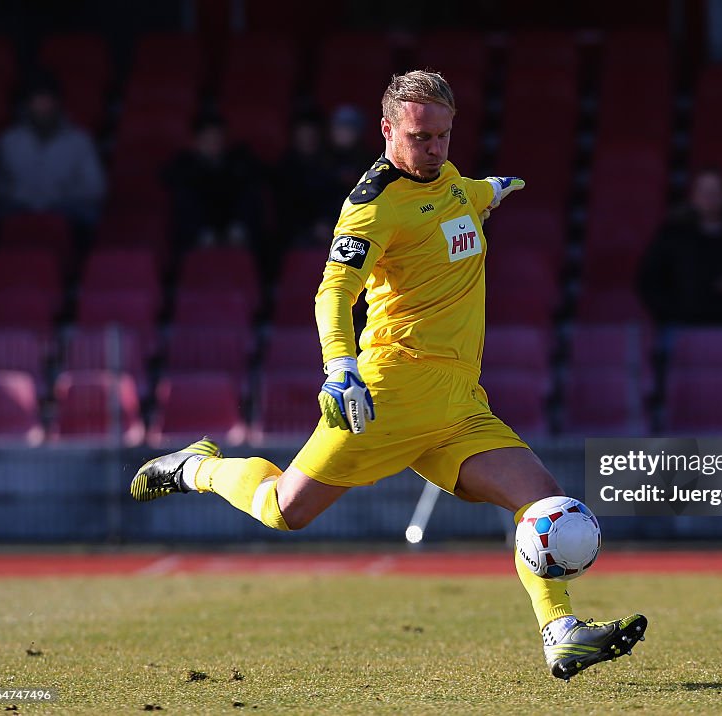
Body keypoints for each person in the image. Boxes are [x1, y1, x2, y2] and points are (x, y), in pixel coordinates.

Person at [130, 70, 647, 680]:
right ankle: (197, 467)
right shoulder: (370, 206)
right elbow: (334, 289)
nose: (434, 149)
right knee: (283, 510)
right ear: (387, 130)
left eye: (444, 135)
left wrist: (493, 190)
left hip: (459, 402)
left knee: (542, 503)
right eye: (421, 136)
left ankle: (561, 634)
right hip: (388, 392)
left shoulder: (453, 181)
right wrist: (340, 367)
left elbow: (463, 200)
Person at [636, 168, 722, 324]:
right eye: (704, 190)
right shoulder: (672, 236)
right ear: (693, 195)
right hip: (682, 325)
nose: (709, 196)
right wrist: (671, 312)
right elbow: (649, 282)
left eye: (715, 190)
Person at [0, 73, 105, 226]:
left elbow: (95, 187)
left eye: (48, 101)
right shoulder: (9, 140)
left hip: (66, 210)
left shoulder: (80, 141)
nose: (43, 107)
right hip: (19, 208)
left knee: (88, 215)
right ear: (26, 105)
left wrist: (57, 196)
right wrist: (21, 195)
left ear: (58, 103)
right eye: (37, 101)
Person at [164, 111, 264, 251]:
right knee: (183, 194)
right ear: (196, 140)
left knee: (251, 190)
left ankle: (238, 235)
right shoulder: (185, 163)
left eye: (217, 136)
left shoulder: (237, 160)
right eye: (207, 137)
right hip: (201, 231)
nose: (213, 142)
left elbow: (259, 173)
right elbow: (167, 177)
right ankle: (204, 239)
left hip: (233, 226)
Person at [273, 110, 337, 249]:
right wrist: (311, 227)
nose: (308, 140)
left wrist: (327, 222)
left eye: (312, 135)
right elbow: (285, 208)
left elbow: (335, 198)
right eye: (303, 135)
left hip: (331, 228)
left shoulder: (330, 164)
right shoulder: (285, 167)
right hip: (295, 233)